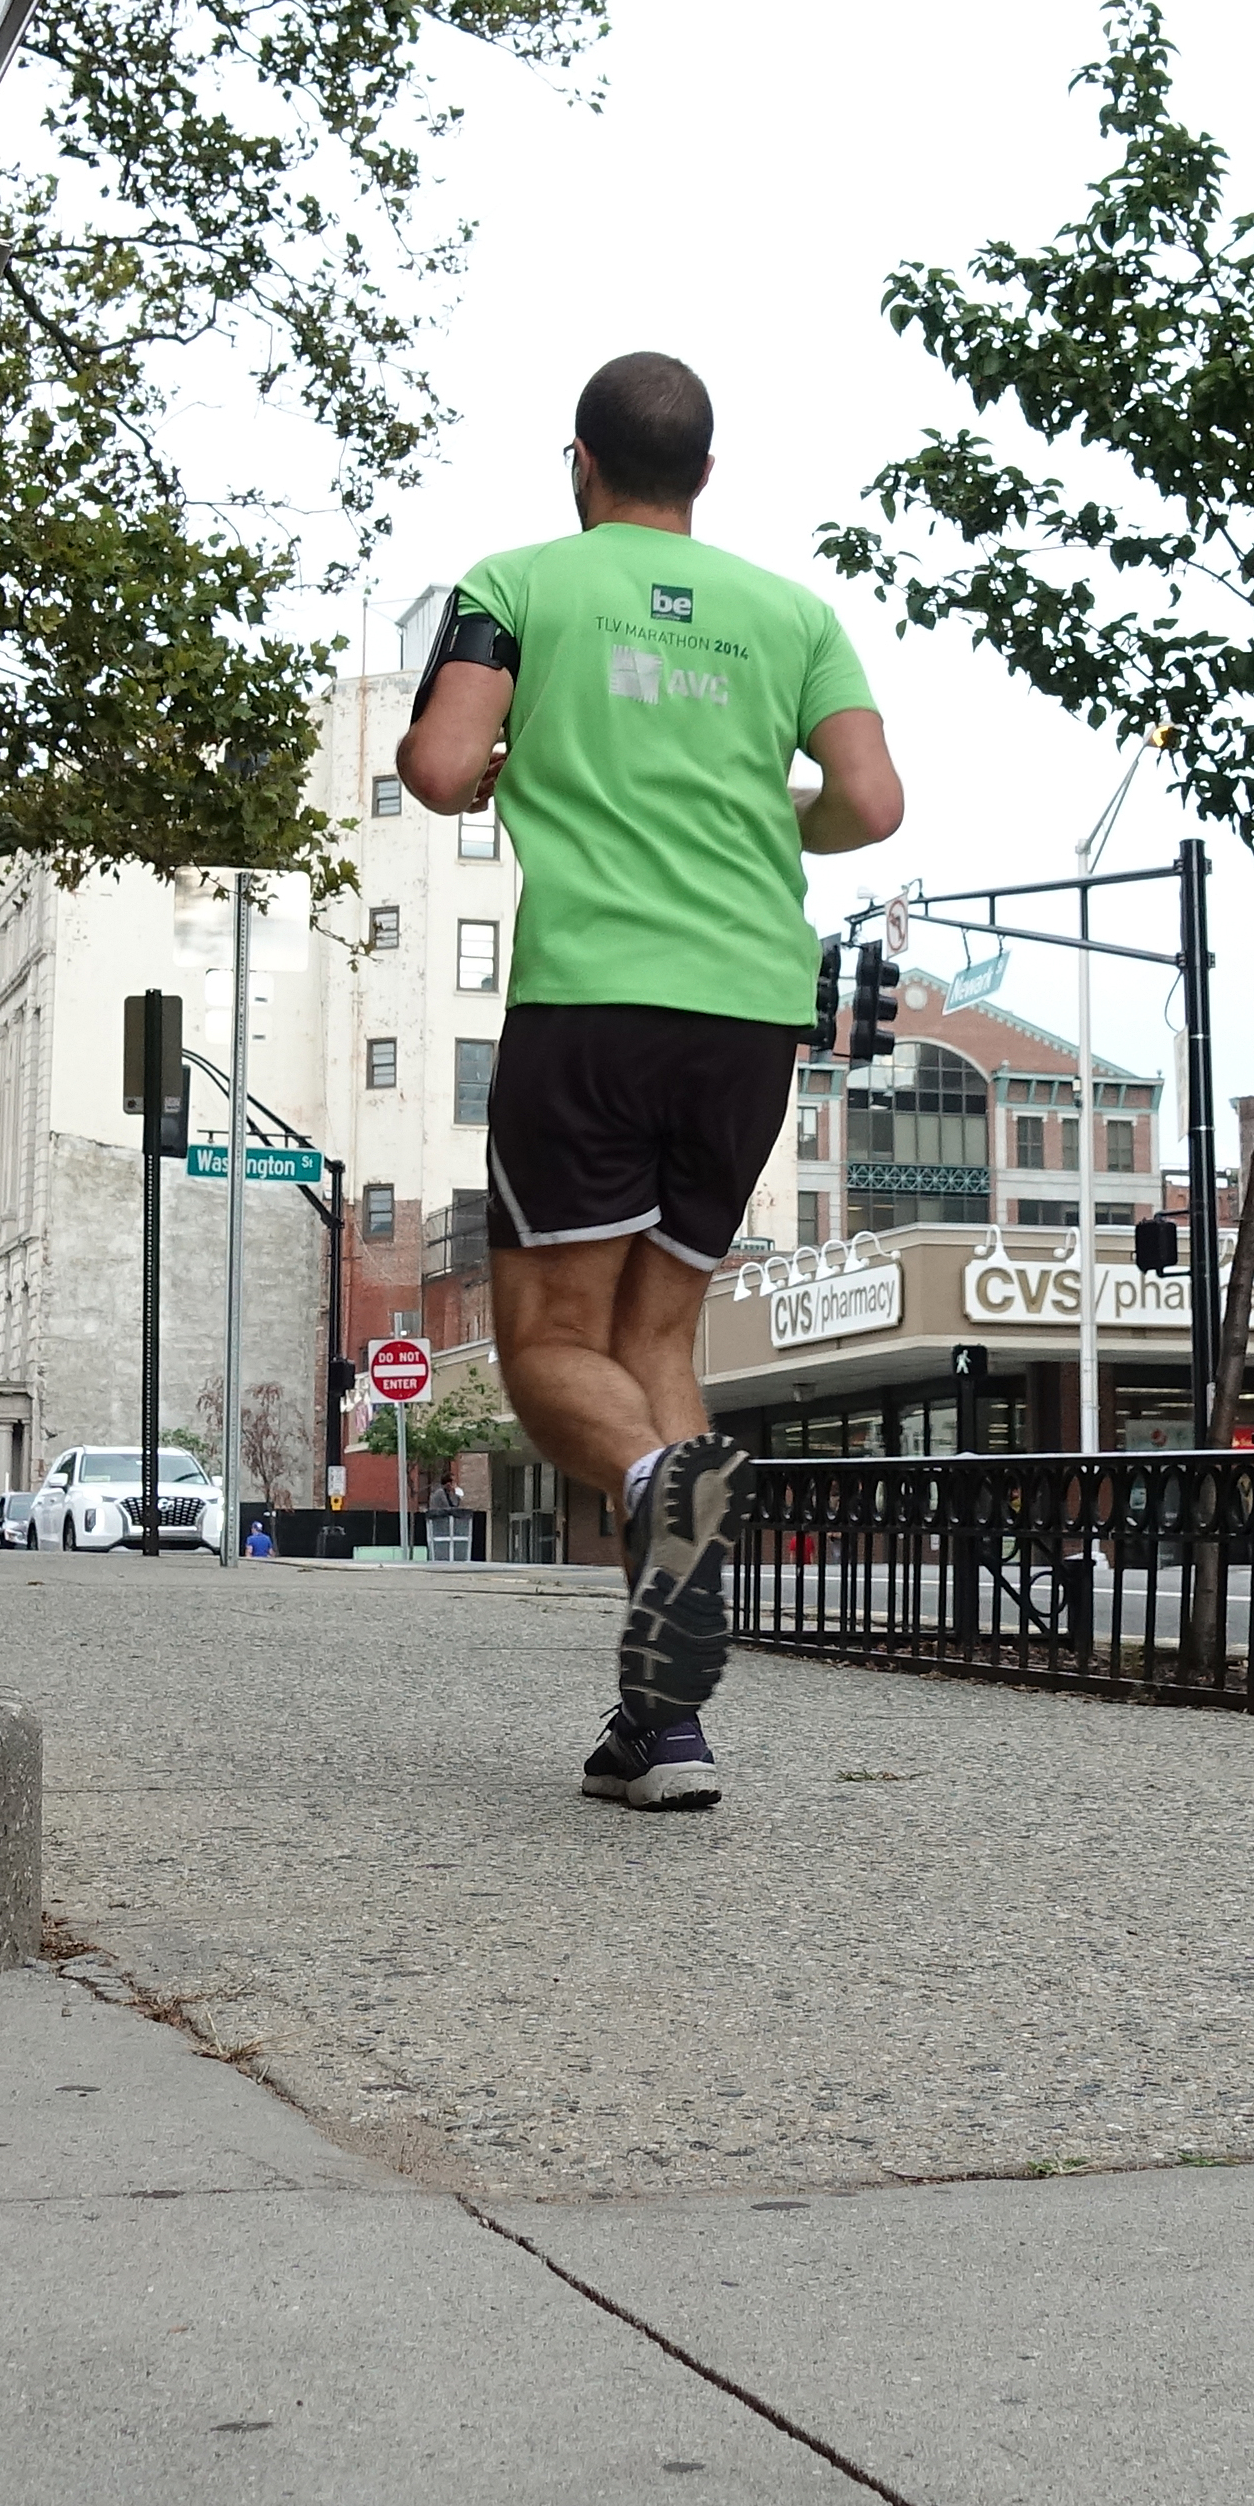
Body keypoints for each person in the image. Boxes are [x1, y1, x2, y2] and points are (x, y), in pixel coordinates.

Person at [396, 353, 903, 1812]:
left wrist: (504, 762)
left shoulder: (519, 582)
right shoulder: (795, 614)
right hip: (753, 1007)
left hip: (596, 997)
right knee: (659, 1340)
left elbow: (436, 766)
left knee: (553, 1343)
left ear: (581, 463)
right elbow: (869, 802)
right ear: (704, 475)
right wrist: (760, 812)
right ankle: (663, 1730)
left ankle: (648, 1489)